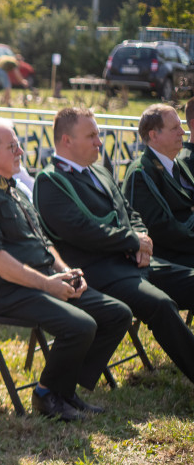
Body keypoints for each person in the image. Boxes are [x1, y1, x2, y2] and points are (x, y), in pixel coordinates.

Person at [0, 117, 132, 419]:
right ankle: (47, 394)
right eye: (12, 146)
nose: (21, 150)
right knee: (81, 325)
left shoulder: (15, 188)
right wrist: (47, 284)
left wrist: (66, 270)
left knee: (117, 314)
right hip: (7, 289)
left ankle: (66, 387)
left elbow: (43, 242)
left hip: (42, 278)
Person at [33, 107, 194, 386]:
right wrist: (135, 241)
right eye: (92, 135)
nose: (99, 141)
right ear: (66, 140)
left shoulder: (99, 171)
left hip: (132, 263)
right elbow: (82, 230)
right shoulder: (50, 181)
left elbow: (129, 212)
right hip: (100, 271)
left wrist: (141, 238)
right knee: (162, 305)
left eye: (98, 134)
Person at [123, 103, 194, 269]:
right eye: (175, 128)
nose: (182, 132)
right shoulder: (141, 172)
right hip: (167, 257)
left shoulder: (177, 165)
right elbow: (157, 228)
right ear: (154, 135)